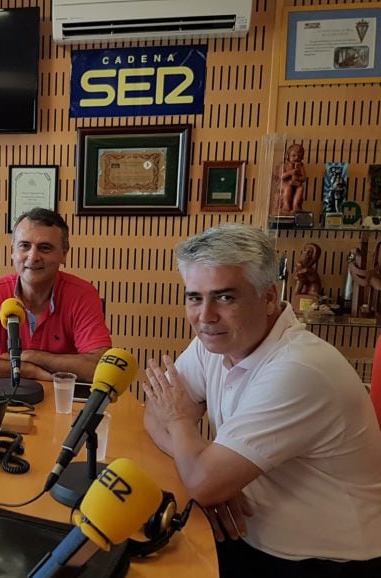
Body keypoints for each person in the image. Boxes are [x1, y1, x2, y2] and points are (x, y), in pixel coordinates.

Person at [141, 224, 381, 578]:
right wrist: (209, 470)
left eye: (225, 297)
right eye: (194, 297)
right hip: (248, 536)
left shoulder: (299, 369)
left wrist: (196, 452)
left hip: (326, 562)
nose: (205, 316)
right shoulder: (217, 340)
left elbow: (186, 450)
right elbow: (153, 415)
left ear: (269, 297)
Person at [0, 208, 111, 382]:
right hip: (4, 397)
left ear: (64, 254)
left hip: (60, 400)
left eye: (45, 248)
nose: (33, 257)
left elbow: (101, 368)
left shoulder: (83, 295)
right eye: (24, 246)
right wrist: (27, 370)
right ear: (13, 251)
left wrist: (33, 357)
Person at [272, 143, 306, 215]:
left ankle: (295, 205)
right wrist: (290, 172)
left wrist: (298, 178)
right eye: (293, 156)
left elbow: (304, 178)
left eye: (299, 156)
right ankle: (286, 206)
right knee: (288, 188)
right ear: (288, 156)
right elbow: (281, 176)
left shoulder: (300, 166)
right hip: (283, 184)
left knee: (301, 188)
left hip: (295, 183)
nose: (296, 158)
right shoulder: (284, 165)